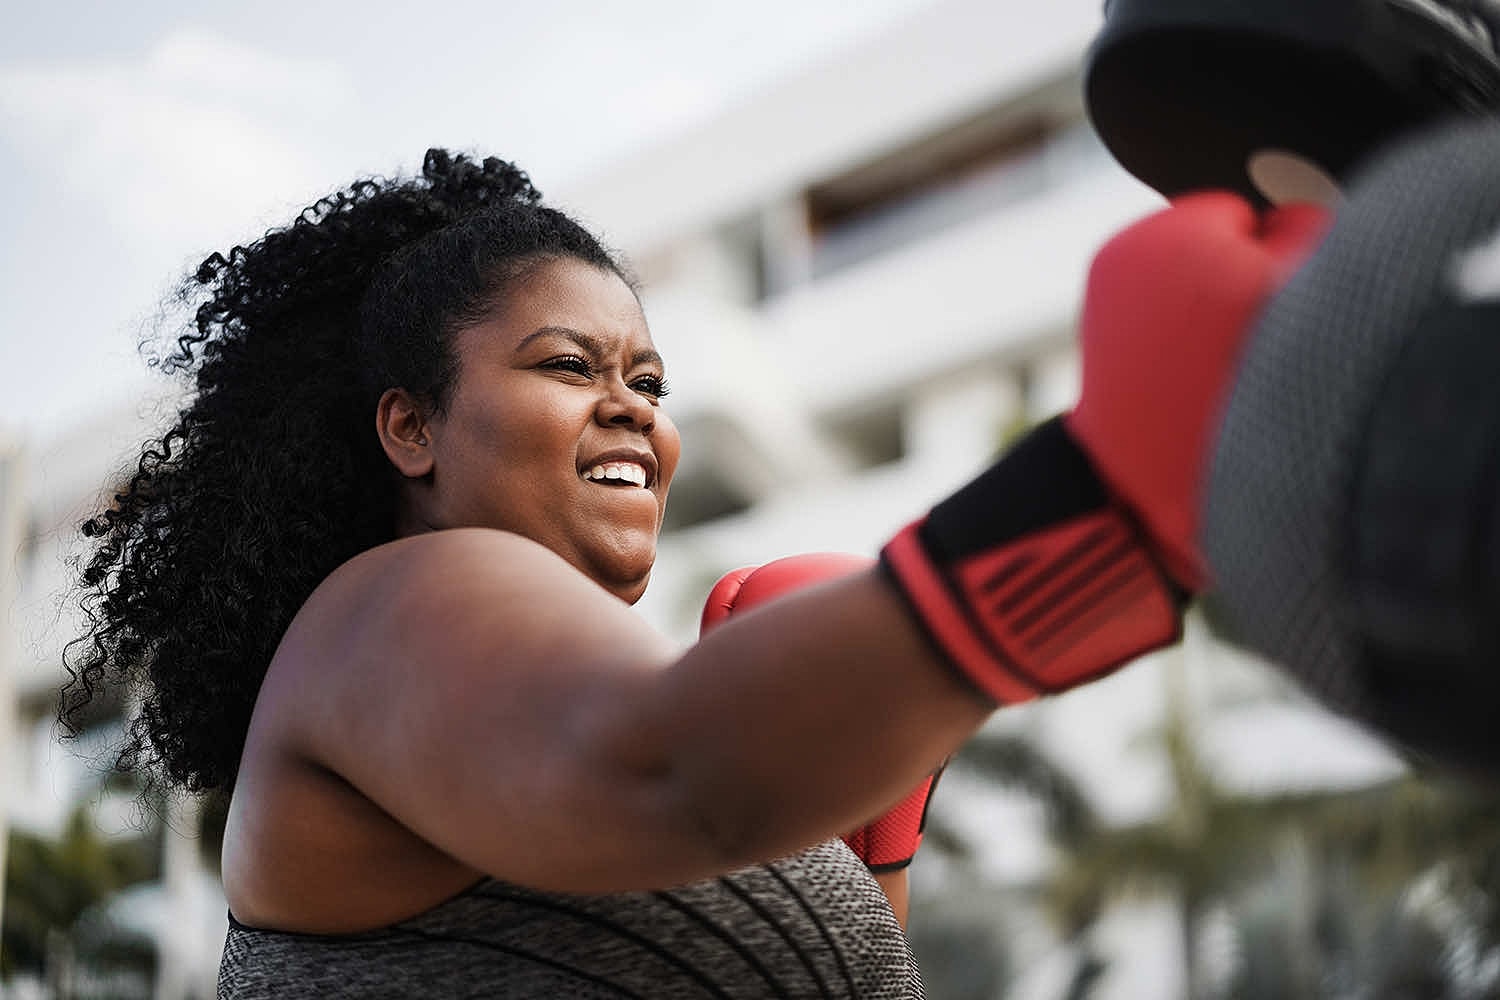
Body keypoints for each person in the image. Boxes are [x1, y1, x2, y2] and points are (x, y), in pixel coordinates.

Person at [60, 148, 1326, 998]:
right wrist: (1102, 502)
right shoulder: (387, 603)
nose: (632, 410)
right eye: (569, 366)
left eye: (650, 382)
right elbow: (668, 769)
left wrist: (864, 855)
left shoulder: (571, 707)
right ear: (412, 427)